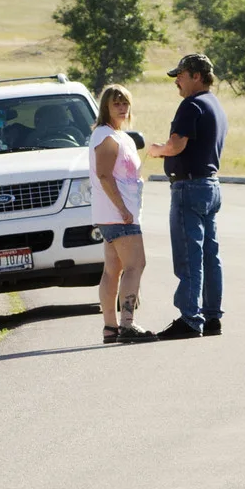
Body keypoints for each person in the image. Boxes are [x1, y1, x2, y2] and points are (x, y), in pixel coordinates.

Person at [144, 51, 226, 339]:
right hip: (210, 185)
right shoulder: (214, 104)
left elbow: (177, 145)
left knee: (189, 255)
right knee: (209, 255)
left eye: (180, 75)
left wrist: (158, 149)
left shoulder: (191, 105)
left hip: (189, 187)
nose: (176, 81)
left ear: (197, 76)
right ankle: (212, 316)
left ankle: (190, 319)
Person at [88, 85, 153, 345]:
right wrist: (124, 208)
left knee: (112, 269)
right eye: (116, 104)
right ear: (106, 107)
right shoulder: (106, 137)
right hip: (118, 215)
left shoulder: (120, 135)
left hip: (115, 214)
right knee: (135, 265)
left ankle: (110, 328)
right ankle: (127, 324)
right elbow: (104, 175)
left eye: (125, 103)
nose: (123, 108)